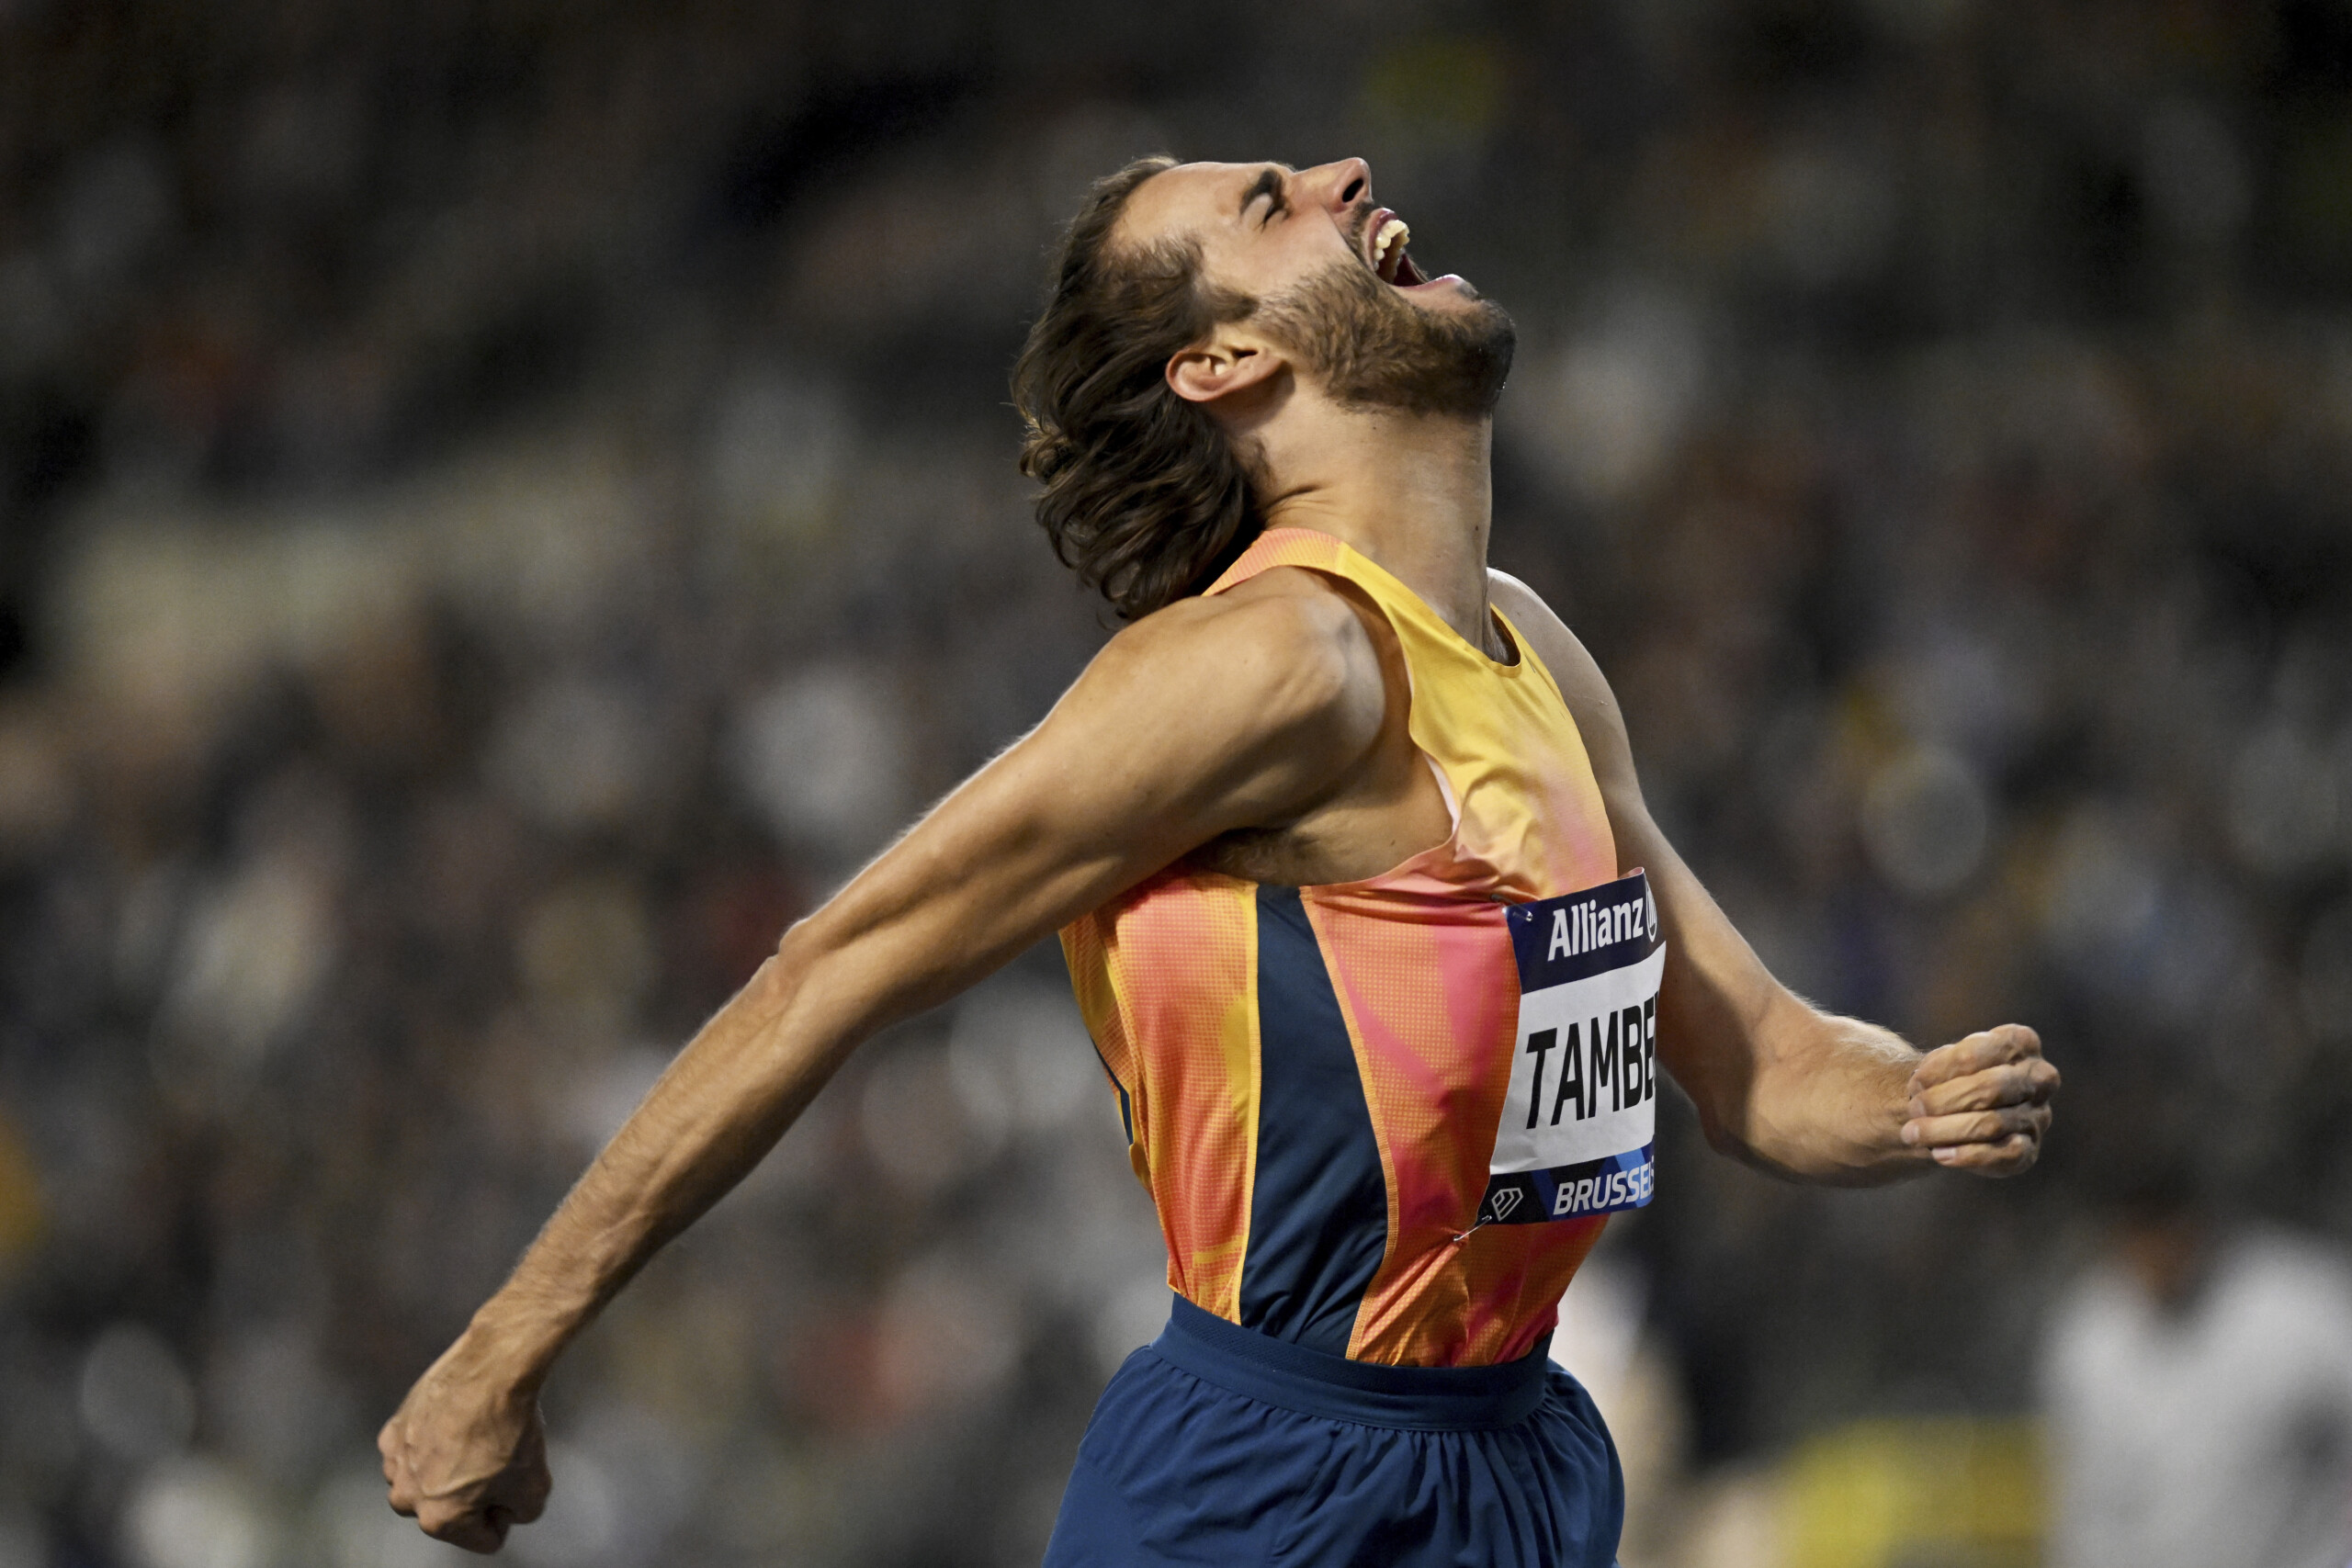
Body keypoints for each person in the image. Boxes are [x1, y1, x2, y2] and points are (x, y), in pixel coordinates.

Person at [378, 156, 2059, 1565]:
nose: (1346, 177)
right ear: (1222, 365)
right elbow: (831, 967)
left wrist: (1906, 1099)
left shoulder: (1531, 652)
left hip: (1529, 1457)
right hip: (1270, 1481)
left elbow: (1748, 1058)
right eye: (1272, 203)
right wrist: (496, 1356)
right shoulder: (1268, 667)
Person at [2042, 1156, 2352, 1568]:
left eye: (2164, 1224)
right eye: (2137, 1229)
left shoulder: (2302, 1304)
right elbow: (2089, 1504)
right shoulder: (2091, 1335)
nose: (2154, 1249)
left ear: (2199, 1221)